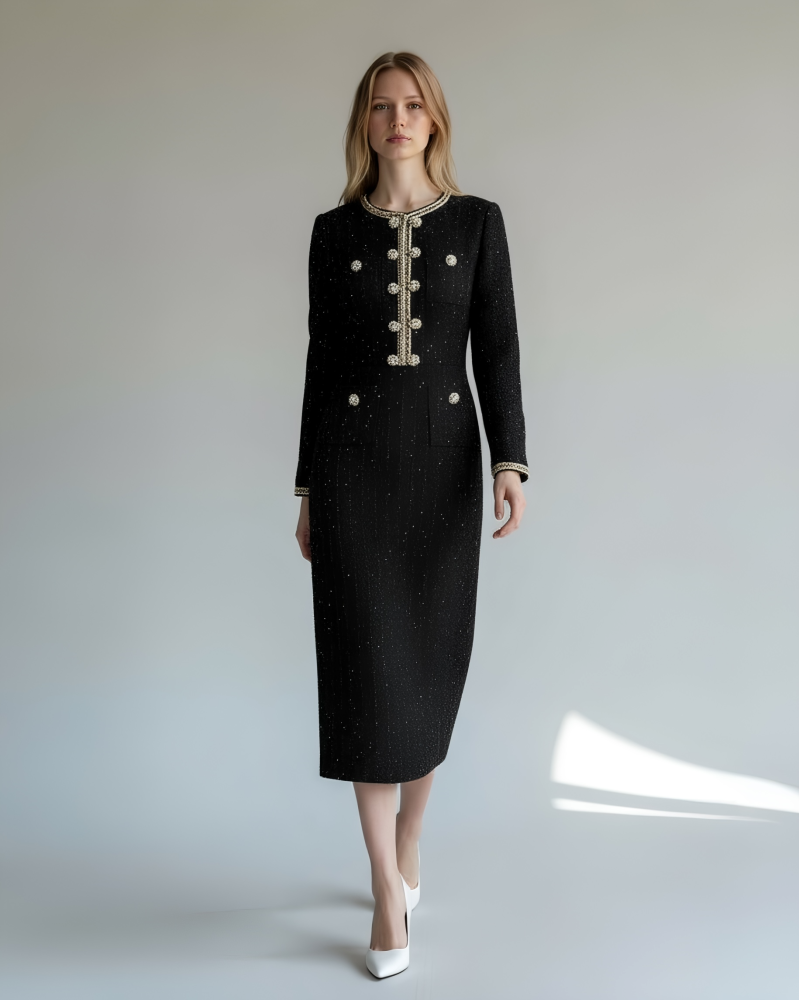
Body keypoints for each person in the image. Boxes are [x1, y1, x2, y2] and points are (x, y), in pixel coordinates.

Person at [293, 51, 528, 978]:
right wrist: (306, 489)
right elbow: (319, 366)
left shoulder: (477, 222)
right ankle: (384, 886)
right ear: (364, 121)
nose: (397, 119)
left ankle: (410, 836)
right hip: (351, 474)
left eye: (413, 105)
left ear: (434, 120)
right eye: (381, 106)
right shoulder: (330, 232)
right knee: (365, 671)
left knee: (428, 669)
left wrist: (510, 461)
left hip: (442, 474)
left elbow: (498, 349)